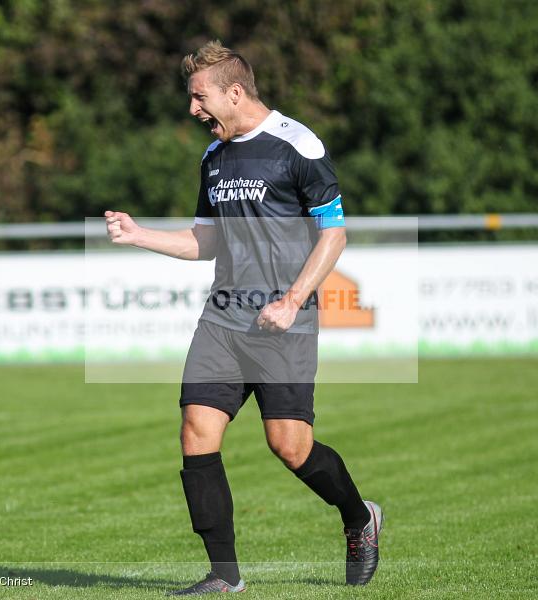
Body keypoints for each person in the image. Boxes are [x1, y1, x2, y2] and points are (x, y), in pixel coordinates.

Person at [105, 40, 381, 595]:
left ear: (234, 92)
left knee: (290, 446)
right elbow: (206, 241)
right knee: (196, 432)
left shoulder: (296, 145)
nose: (193, 110)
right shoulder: (214, 158)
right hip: (224, 321)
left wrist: (293, 299)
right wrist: (140, 237)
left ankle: (359, 517)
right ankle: (224, 576)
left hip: (285, 323)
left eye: (198, 97)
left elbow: (335, 233)